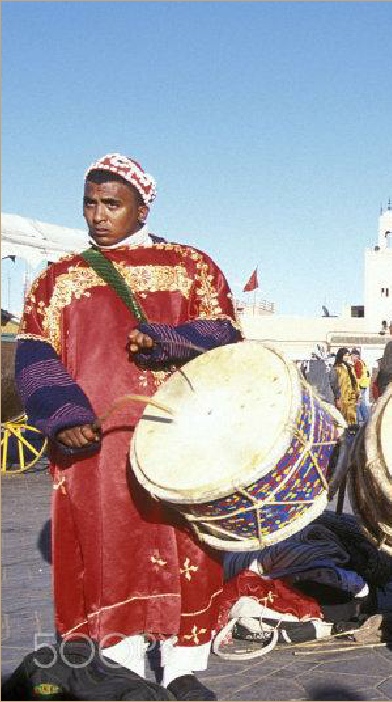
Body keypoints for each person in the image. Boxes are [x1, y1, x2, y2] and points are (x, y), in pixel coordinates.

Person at [13, 154, 242, 700]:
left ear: (142, 209)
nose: (98, 215)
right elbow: (35, 355)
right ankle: (120, 677)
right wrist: (64, 415)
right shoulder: (55, 280)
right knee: (109, 551)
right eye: (89, 204)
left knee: (187, 547)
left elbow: (225, 334)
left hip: (179, 439)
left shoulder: (191, 266)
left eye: (112, 204)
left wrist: (168, 339)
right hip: (98, 448)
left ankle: (183, 674)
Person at [331, 347, 359, 427]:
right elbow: (335, 383)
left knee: (351, 417)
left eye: (348, 355)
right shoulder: (336, 368)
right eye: (345, 355)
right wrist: (337, 397)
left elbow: (354, 381)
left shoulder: (350, 367)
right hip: (342, 396)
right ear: (341, 355)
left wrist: (357, 393)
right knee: (341, 418)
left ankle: (351, 431)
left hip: (351, 396)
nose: (347, 357)